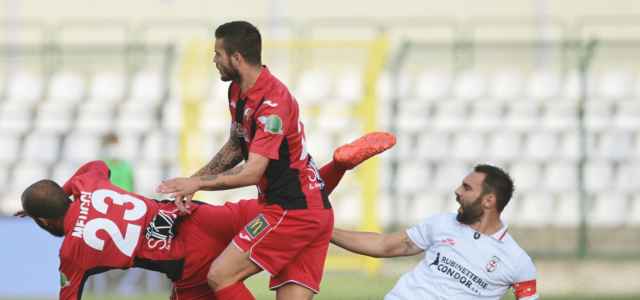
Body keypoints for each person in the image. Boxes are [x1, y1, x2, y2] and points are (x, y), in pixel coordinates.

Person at [16, 132, 395, 300]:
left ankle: (338, 168)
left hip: (188, 261)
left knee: (222, 280)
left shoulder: (72, 254)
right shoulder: (89, 185)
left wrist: (48, 211)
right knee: (292, 211)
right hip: (204, 216)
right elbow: (95, 165)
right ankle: (337, 166)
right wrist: (64, 192)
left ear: (45, 222)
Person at [157, 21, 383, 299]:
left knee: (220, 275)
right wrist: (193, 182)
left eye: (218, 54)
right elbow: (234, 148)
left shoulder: (273, 104)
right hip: (312, 211)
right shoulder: (238, 92)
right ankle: (339, 165)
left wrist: (196, 184)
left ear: (236, 58)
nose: (214, 60)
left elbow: (252, 172)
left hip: (291, 212)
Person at [331, 164, 539, 300]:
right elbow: (387, 245)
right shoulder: (442, 223)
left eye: (466, 188)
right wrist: (326, 232)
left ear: (488, 200)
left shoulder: (517, 261)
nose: (457, 191)